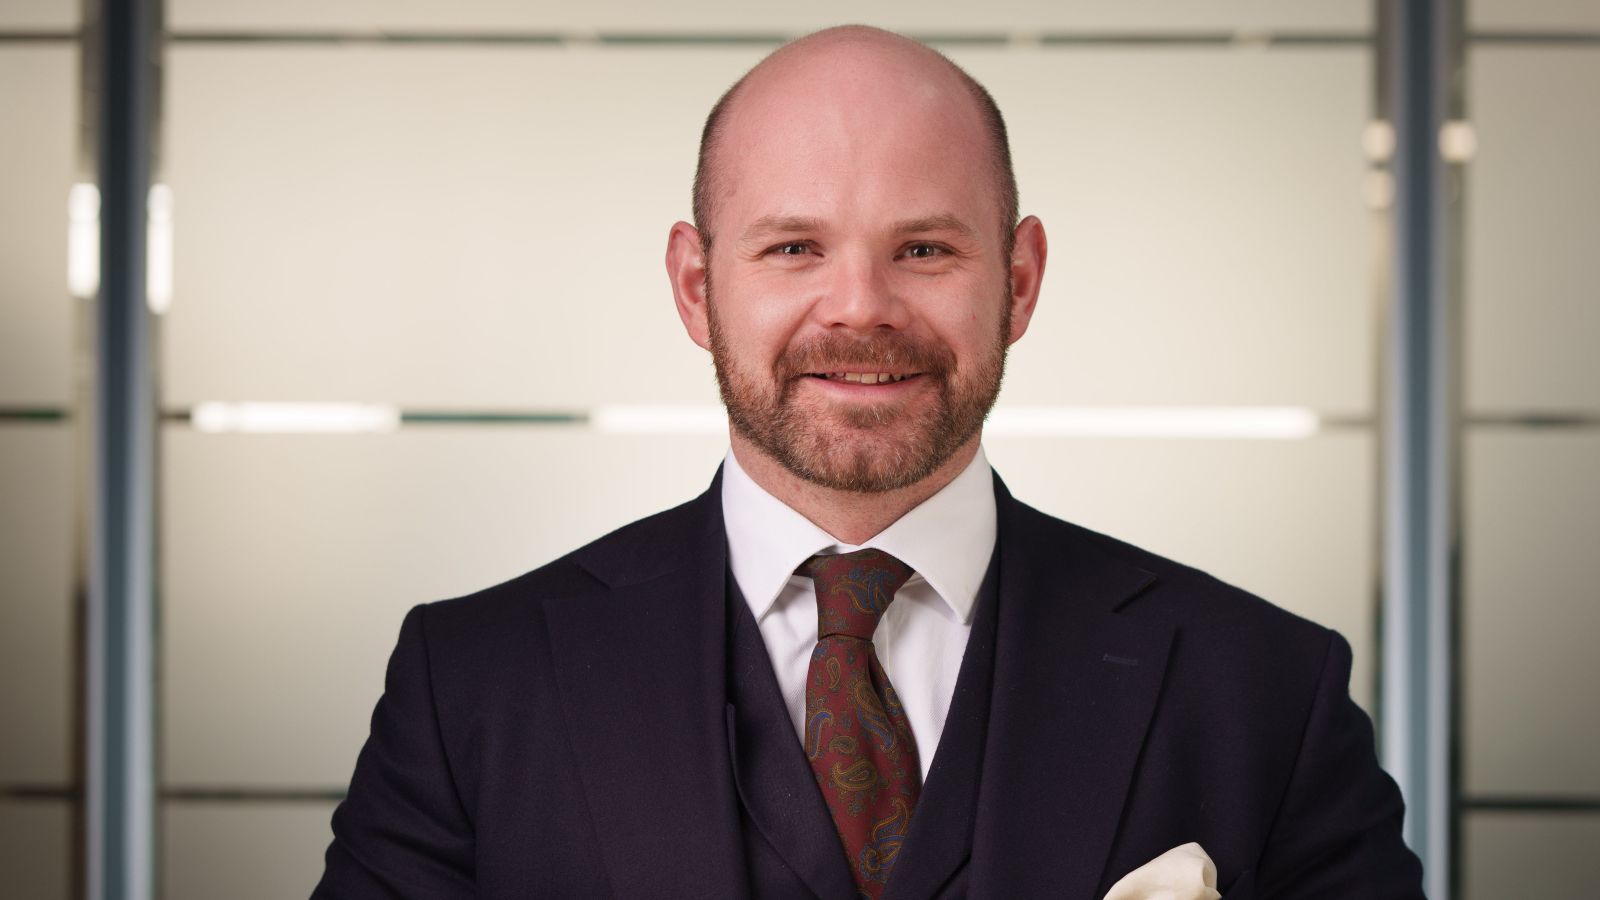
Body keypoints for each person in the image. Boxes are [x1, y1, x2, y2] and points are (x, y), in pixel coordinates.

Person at [314, 26, 1425, 899]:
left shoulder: (1263, 691)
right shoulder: (472, 687)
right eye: (794, 247)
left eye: (925, 248)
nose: (859, 308)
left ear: (1019, 282)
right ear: (697, 288)